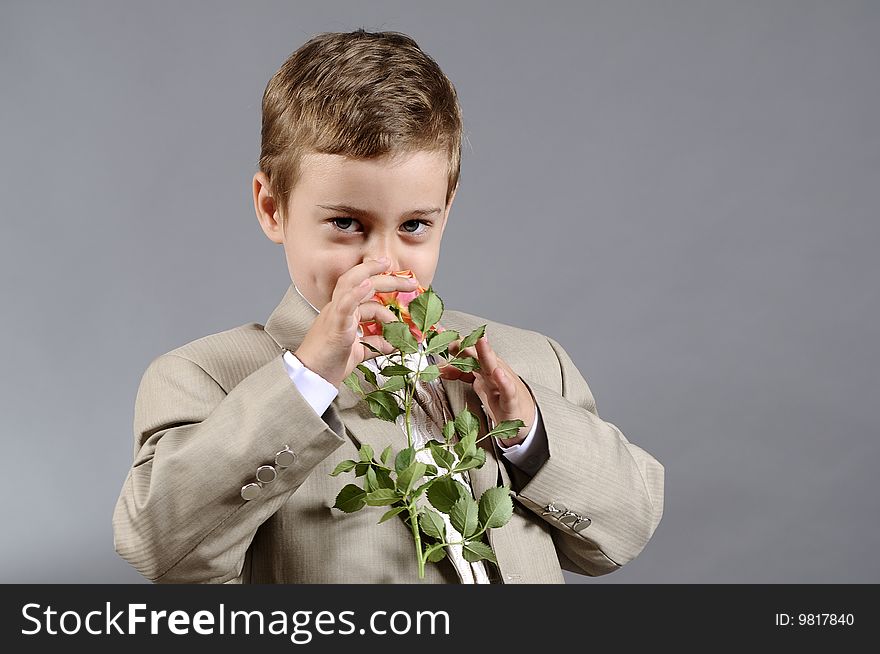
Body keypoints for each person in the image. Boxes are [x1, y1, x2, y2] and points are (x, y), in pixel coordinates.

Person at [112, 29, 664, 584]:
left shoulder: (537, 362)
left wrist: (529, 436)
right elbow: (160, 550)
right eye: (346, 224)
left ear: (446, 210)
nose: (383, 261)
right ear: (272, 207)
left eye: (414, 226)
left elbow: (625, 531)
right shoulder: (202, 379)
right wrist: (305, 381)